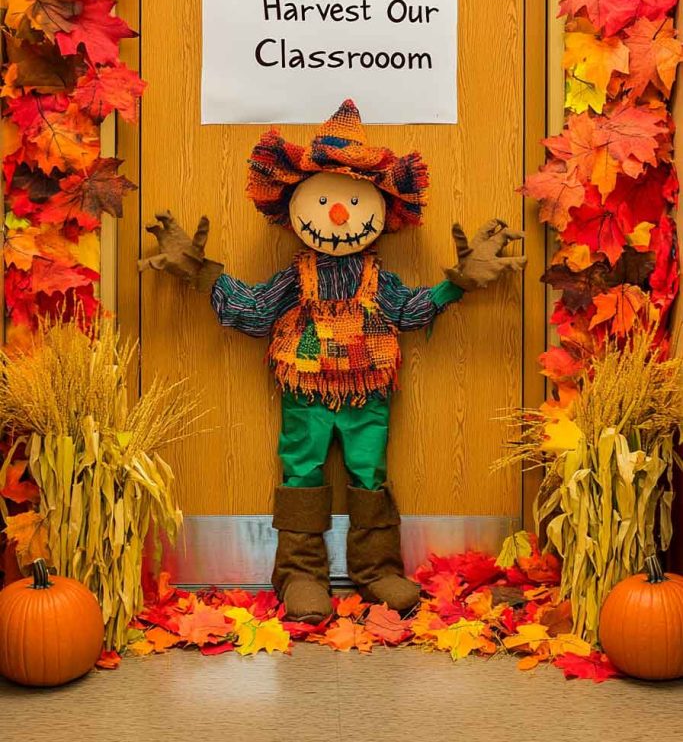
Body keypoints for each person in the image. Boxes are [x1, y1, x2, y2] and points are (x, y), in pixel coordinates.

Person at [140, 99, 526, 623]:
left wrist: (453, 286)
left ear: (381, 212)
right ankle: (300, 574)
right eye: (323, 202)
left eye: (350, 202)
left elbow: (409, 311)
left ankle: (376, 570)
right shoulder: (294, 277)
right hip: (306, 390)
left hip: (369, 390)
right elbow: (253, 312)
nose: (338, 216)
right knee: (301, 470)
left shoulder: (378, 279)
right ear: (295, 207)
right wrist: (200, 272)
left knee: (370, 471)